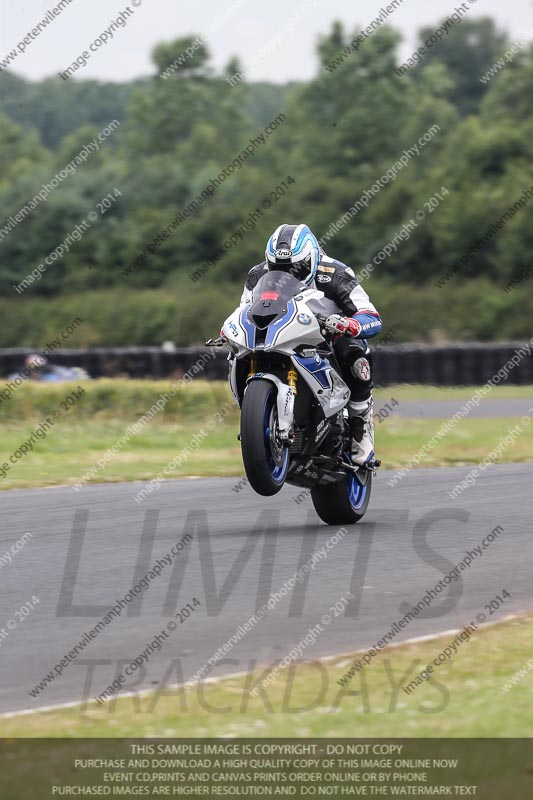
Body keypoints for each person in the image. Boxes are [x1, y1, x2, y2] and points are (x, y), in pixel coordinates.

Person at [240, 223, 382, 466]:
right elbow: (245, 310)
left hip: (326, 338)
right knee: (238, 352)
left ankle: (360, 425)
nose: (289, 273)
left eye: (297, 267)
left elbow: (371, 315)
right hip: (280, 336)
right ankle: (260, 418)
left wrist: (351, 325)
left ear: (312, 258)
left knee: (356, 353)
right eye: (278, 267)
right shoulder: (257, 275)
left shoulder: (336, 273)